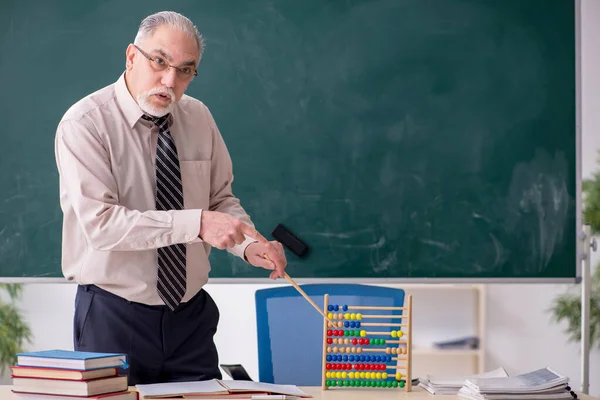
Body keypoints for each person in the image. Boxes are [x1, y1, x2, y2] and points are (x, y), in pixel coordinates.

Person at [54, 11, 287, 385]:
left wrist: (248, 244)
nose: (170, 80)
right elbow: (102, 226)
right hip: (113, 317)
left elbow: (220, 199)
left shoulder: (199, 118)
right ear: (132, 56)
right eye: (159, 62)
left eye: (185, 71)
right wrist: (196, 223)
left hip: (190, 318)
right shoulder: (85, 125)